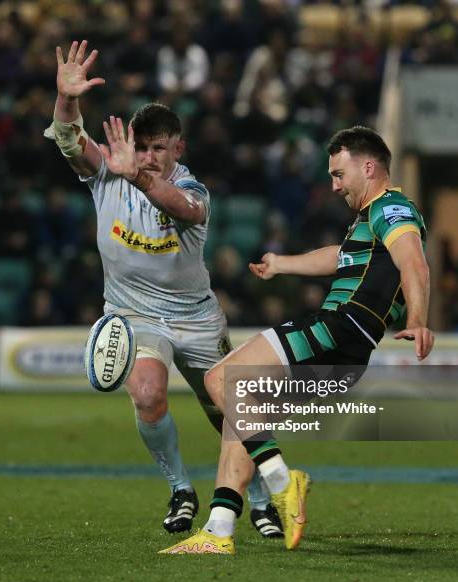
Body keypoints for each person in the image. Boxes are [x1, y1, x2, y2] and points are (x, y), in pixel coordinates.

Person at [44, 40, 281, 538]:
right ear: (130, 142)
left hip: (196, 318)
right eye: (143, 145)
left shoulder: (194, 191)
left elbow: (183, 209)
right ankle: (180, 489)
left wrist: (143, 181)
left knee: (228, 413)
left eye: (159, 147)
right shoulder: (108, 172)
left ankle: (258, 498)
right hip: (133, 315)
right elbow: (69, 138)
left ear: (179, 149)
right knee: (149, 395)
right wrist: (67, 99)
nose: (149, 156)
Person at [161, 125, 434, 554]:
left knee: (221, 381)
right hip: (351, 353)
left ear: (368, 166)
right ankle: (218, 529)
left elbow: (414, 263)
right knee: (246, 414)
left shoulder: (391, 207)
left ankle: (285, 483)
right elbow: (337, 257)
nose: (334, 185)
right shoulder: (368, 221)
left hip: (339, 328)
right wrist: (282, 264)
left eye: (339, 174)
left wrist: (418, 318)